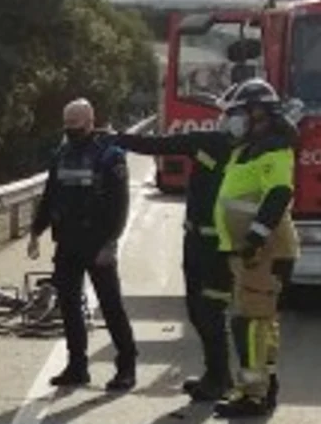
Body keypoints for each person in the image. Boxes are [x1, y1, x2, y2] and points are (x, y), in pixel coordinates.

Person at [101, 103, 237, 401]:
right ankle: (215, 374)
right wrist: (119, 138)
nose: (229, 120)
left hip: (222, 245)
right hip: (196, 240)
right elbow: (159, 145)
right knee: (196, 310)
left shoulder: (257, 151)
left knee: (211, 310)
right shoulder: (209, 142)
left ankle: (220, 378)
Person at [26, 98, 139, 391]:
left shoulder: (110, 156)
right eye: (68, 127)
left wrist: (110, 244)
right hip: (67, 243)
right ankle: (77, 366)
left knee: (111, 306)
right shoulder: (62, 154)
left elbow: (120, 206)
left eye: (77, 127)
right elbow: (51, 196)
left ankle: (126, 367)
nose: (72, 132)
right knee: (69, 306)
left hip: (98, 243)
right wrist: (36, 232)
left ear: (91, 122)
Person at [210, 78, 300, 417]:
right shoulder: (248, 148)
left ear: (257, 113)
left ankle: (253, 394)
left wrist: (255, 239)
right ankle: (266, 384)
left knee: (248, 322)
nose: (230, 120)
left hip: (263, 252)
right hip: (249, 251)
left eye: (235, 113)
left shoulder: (275, 149)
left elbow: (278, 194)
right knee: (262, 320)